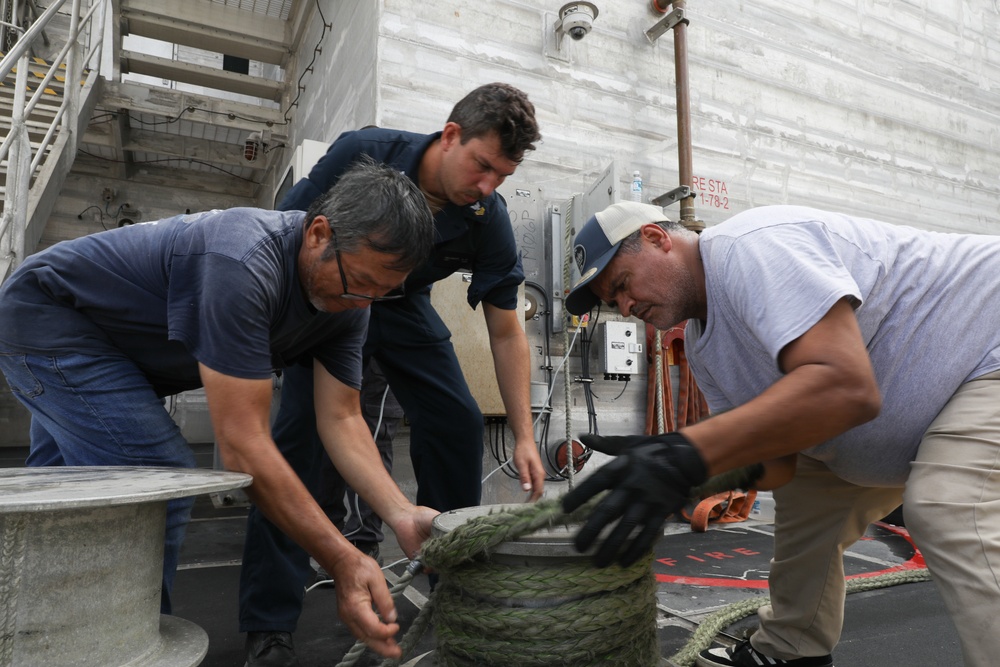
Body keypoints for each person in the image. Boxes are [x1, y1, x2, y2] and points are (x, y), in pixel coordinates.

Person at [0, 160, 439, 662]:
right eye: (360, 282)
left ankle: (34, 639)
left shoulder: (349, 306)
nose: (365, 304)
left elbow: (341, 418)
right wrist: (341, 559)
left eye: (382, 293)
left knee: (49, 510)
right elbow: (243, 447)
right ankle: (124, 651)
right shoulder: (243, 260)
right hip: (51, 320)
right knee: (157, 479)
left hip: (119, 356)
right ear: (319, 233)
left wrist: (401, 513)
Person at [561, 201, 1000, 667]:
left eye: (623, 285)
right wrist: (683, 470)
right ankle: (793, 650)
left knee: (951, 505)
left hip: (984, 350)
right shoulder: (703, 346)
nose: (626, 308)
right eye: (614, 303)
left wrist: (689, 449)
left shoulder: (750, 246)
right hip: (909, 405)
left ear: (657, 238)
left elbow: (846, 388)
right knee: (804, 500)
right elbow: (775, 464)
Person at [239, 81, 548, 666]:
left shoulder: (486, 216)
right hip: (331, 301)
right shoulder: (364, 153)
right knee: (296, 447)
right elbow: (282, 240)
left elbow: (506, 331)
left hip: (403, 308)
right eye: (482, 166)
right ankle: (268, 624)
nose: (486, 186)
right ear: (450, 135)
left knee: (457, 421)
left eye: (501, 177)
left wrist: (525, 433)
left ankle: (454, 591)